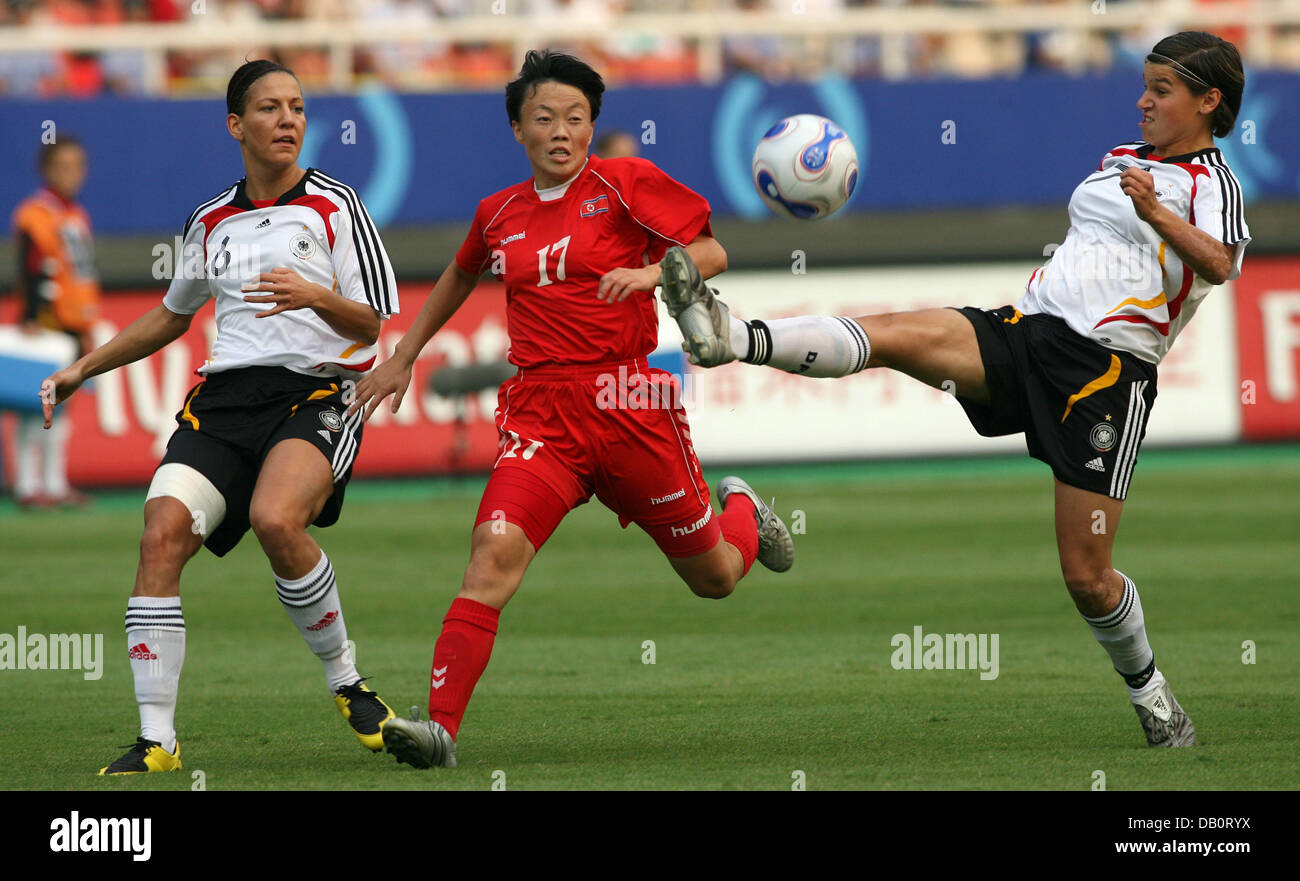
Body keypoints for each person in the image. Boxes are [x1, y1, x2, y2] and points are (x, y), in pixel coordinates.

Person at [660, 31, 1247, 749]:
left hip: (1104, 378)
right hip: (1027, 332)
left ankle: (1155, 698)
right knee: (896, 333)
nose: (1143, 100)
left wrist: (1157, 212)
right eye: (1146, 84)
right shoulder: (1124, 161)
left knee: (1087, 577)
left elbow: (1220, 262)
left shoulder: (1211, 184)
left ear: (1209, 102)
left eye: (1161, 90)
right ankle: (732, 338)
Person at [350, 49, 794, 769]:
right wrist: (404, 353)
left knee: (713, 576)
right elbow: (462, 272)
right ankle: (440, 729)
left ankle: (740, 510)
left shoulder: (623, 184)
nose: (561, 131)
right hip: (541, 415)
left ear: (593, 126)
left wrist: (653, 270)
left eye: (577, 118)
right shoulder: (497, 213)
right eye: (544, 118)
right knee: (491, 555)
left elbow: (710, 250)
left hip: (629, 403)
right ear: (518, 129)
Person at [39, 59, 400, 774]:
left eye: (297, 106)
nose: (288, 119)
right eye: (269, 108)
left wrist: (313, 296)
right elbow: (173, 317)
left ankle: (348, 683)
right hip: (224, 403)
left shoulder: (336, 206)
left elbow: (375, 324)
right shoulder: (210, 220)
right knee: (159, 534)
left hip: (315, 393)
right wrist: (86, 365)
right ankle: (158, 741)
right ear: (236, 125)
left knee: (275, 519)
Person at [10, 135, 100, 509]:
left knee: (60, 406)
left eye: (77, 166)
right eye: (63, 167)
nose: (72, 174)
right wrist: (29, 316)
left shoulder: (76, 215)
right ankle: (28, 485)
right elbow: (30, 267)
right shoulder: (36, 213)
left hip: (73, 321)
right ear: (46, 170)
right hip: (46, 319)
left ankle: (54, 482)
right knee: (36, 405)